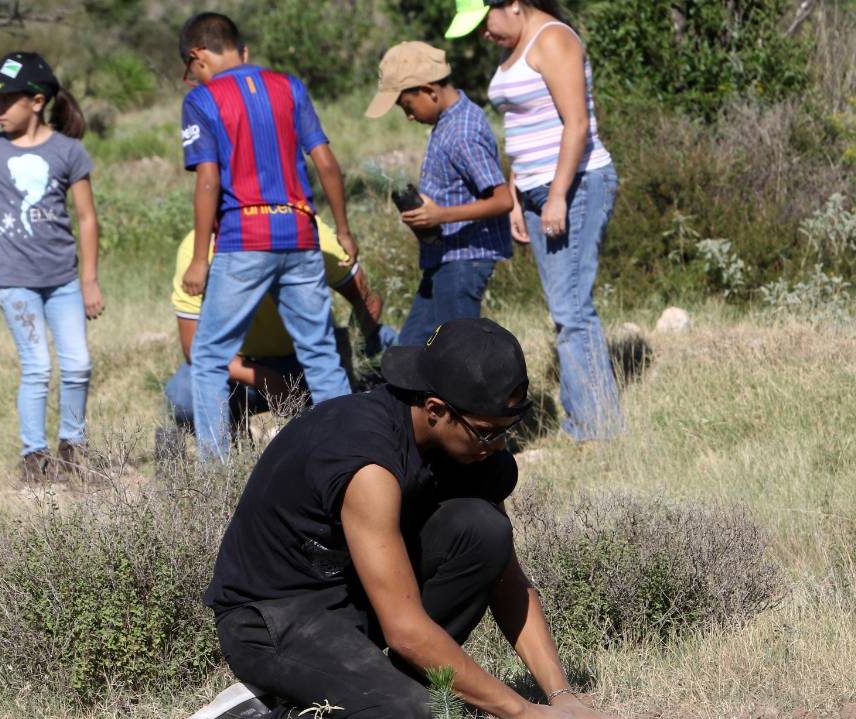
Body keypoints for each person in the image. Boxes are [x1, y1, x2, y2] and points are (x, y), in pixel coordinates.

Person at [172, 318, 630, 719]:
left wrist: (559, 695)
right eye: (488, 433)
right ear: (435, 410)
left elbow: (508, 579)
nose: (498, 447)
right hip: (272, 619)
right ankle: (259, 714)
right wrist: (522, 713)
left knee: (485, 530)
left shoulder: (461, 444)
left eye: (507, 431)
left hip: (352, 595)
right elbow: (405, 630)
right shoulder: (368, 462)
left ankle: (365, 690)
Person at [179, 12, 357, 461]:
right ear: (241, 49)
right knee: (320, 353)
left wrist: (201, 258)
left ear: (199, 55)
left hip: (245, 238)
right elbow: (328, 164)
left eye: (190, 68)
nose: (192, 78)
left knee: (209, 358)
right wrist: (345, 229)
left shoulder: (204, 99)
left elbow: (207, 181)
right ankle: (352, 458)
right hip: (300, 233)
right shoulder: (290, 86)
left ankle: (214, 478)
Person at [447, 0, 623, 440]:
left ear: (511, 4)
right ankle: (589, 419)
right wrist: (515, 194)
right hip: (536, 190)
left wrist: (559, 195)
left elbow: (577, 124)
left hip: (575, 184)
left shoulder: (554, 40)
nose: (484, 35)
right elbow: (523, 127)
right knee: (566, 307)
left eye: (484, 23)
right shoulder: (520, 45)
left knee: (573, 311)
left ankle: (594, 427)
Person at [0, 52, 103, 482]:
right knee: (37, 367)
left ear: (36, 101)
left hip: (63, 281)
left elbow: (88, 218)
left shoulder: (68, 152)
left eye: (7, 100)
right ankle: (34, 460)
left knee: (77, 365)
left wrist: (89, 279)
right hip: (14, 281)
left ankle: (73, 449)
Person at [163, 216, 396, 442]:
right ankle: (235, 437)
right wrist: (266, 378)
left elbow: (368, 299)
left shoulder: (311, 232)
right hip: (244, 370)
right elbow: (194, 348)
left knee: (391, 347)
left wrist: (348, 357)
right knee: (184, 396)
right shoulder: (199, 251)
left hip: (313, 360)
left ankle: (368, 428)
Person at [364, 42, 512, 347]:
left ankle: (483, 395)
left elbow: (502, 199)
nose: (408, 116)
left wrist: (440, 215)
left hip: (464, 262)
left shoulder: (462, 132)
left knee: (457, 353)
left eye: (407, 106)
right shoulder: (448, 123)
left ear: (430, 91)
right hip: (444, 259)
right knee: (410, 352)